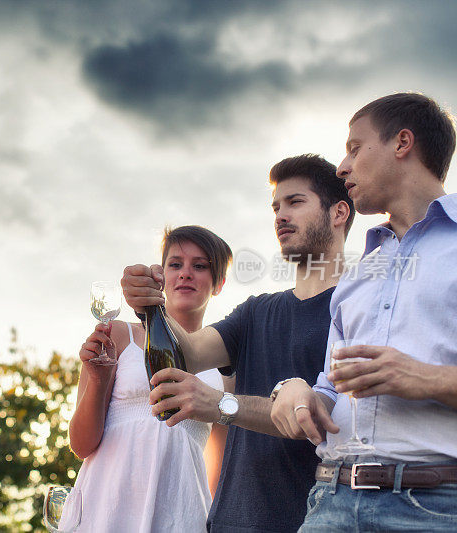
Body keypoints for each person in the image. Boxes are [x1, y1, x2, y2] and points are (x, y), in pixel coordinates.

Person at [121, 154, 354, 532]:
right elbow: (188, 354)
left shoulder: (361, 310)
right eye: (276, 206)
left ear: (339, 212)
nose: (280, 215)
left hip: (314, 520)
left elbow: (316, 418)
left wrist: (220, 405)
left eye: (295, 202)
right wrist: (149, 305)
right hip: (229, 522)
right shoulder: (255, 311)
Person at [271, 93, 457, 531]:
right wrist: (301, 396)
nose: (342, 167)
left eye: (355, 147)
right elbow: (331, 389)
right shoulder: (356, 277)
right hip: (329, 503)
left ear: (402, 143)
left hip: (435, 510)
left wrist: (429, 379)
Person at [69, 225, 233, 532]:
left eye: (200, 266)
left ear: (219, 283)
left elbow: (219, 466)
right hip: (106, 507)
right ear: (161, 276)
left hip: (180, 514)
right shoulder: (117, 335)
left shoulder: (225, 367)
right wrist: (99, 378)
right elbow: (80, 445)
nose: (185, 273)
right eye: (175, 264)